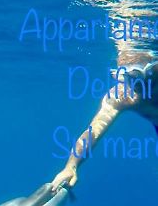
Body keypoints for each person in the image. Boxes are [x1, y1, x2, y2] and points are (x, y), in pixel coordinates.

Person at [51, 54, 158, 192]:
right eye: (127, 78)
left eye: (138, 76)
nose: (135, 85)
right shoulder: (124, 94)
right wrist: (71, 166)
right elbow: (94, 130)